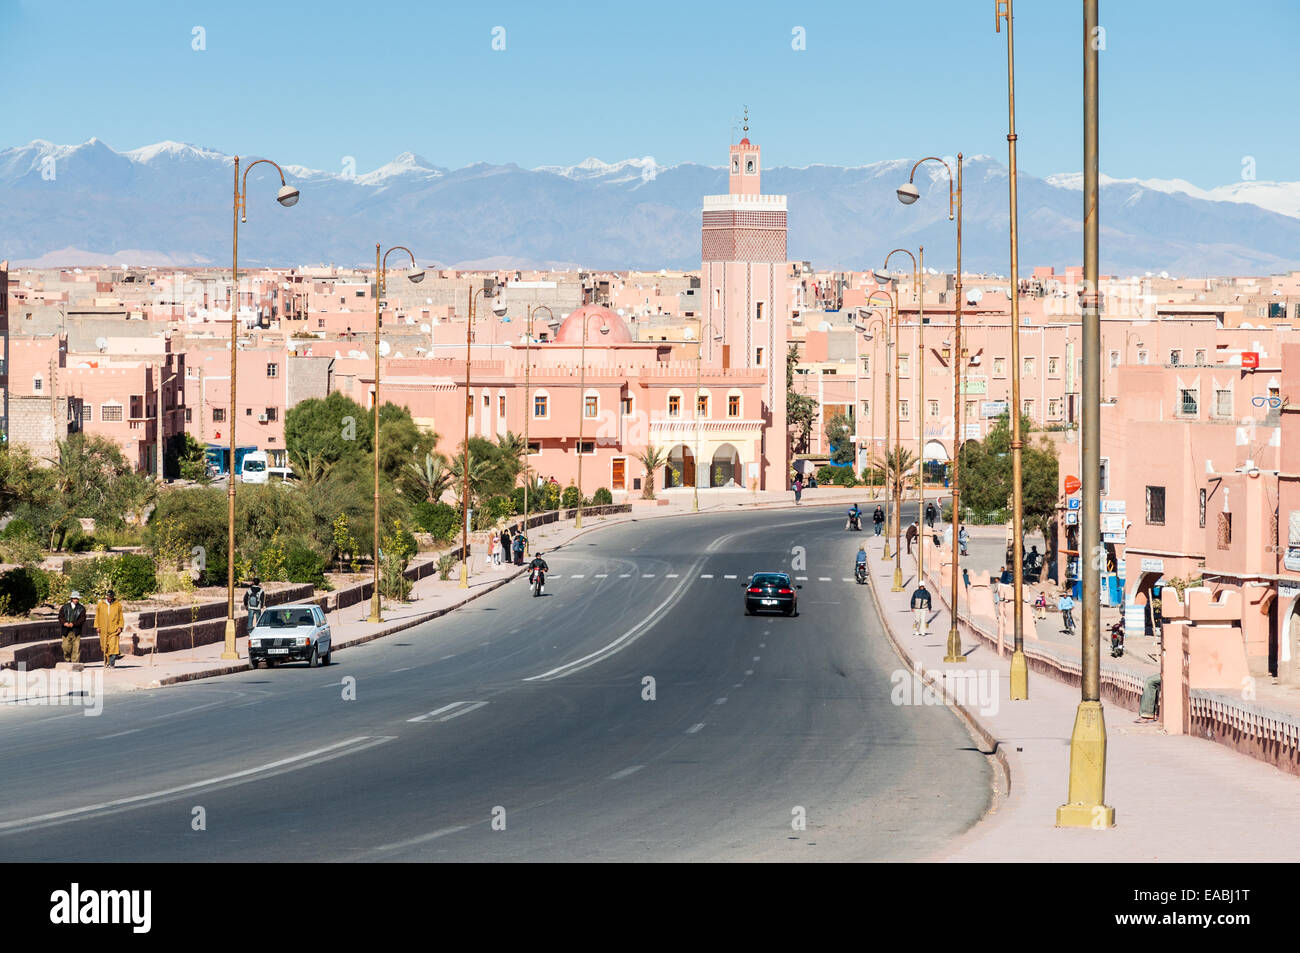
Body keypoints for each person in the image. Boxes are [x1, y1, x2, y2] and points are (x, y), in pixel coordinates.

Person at [94, 589, 124, 668]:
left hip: (114, 629)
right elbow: (97, 615)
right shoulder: (101, 604)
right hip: (103, 629)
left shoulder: (117, 605)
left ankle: (112, 663)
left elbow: (121, 617)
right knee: (105, 647)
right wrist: (97, 626)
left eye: (111, 597)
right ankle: (106, 662)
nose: (109, 599)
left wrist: (120, 627)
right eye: (108, 597)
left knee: (113, 647)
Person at [59, 590, 86, 663]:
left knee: (76, 649)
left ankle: (75, 664)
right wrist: (64, 623)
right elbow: (60, 617)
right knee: (65, 648)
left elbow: (82, 620)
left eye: (77, 598)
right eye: (74, 598)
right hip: (66, 631)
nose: (76, 600)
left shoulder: (82, 609)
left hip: (76, 631)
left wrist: (73, 624)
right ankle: (67, 661)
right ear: (71, 599)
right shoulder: (64, 607)